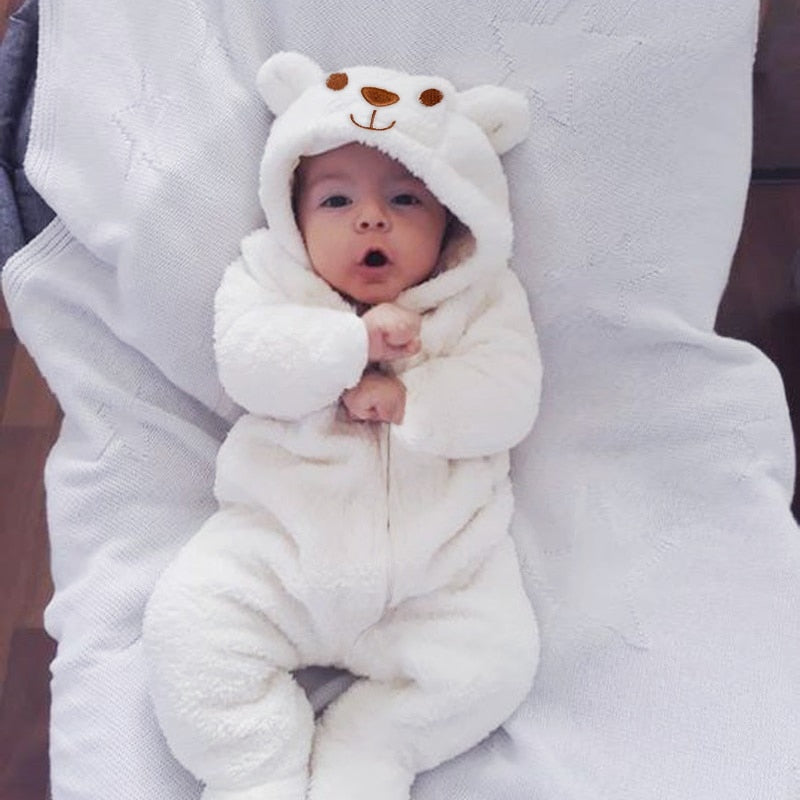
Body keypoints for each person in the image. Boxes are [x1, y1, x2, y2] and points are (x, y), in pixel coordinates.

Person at [142, 52, 542, 800]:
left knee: (495, 666)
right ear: (292, 213)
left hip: (438, 577)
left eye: (406, 198)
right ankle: (254, 770)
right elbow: (249, 364)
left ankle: (372, 747)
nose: (371, 218)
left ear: (455, 216)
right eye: (335, 199)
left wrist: (414, 402)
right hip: (280, 553)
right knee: (187, 631)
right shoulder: (270, 278)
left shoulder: (482, 299)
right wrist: (347, 345)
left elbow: (511, 397)